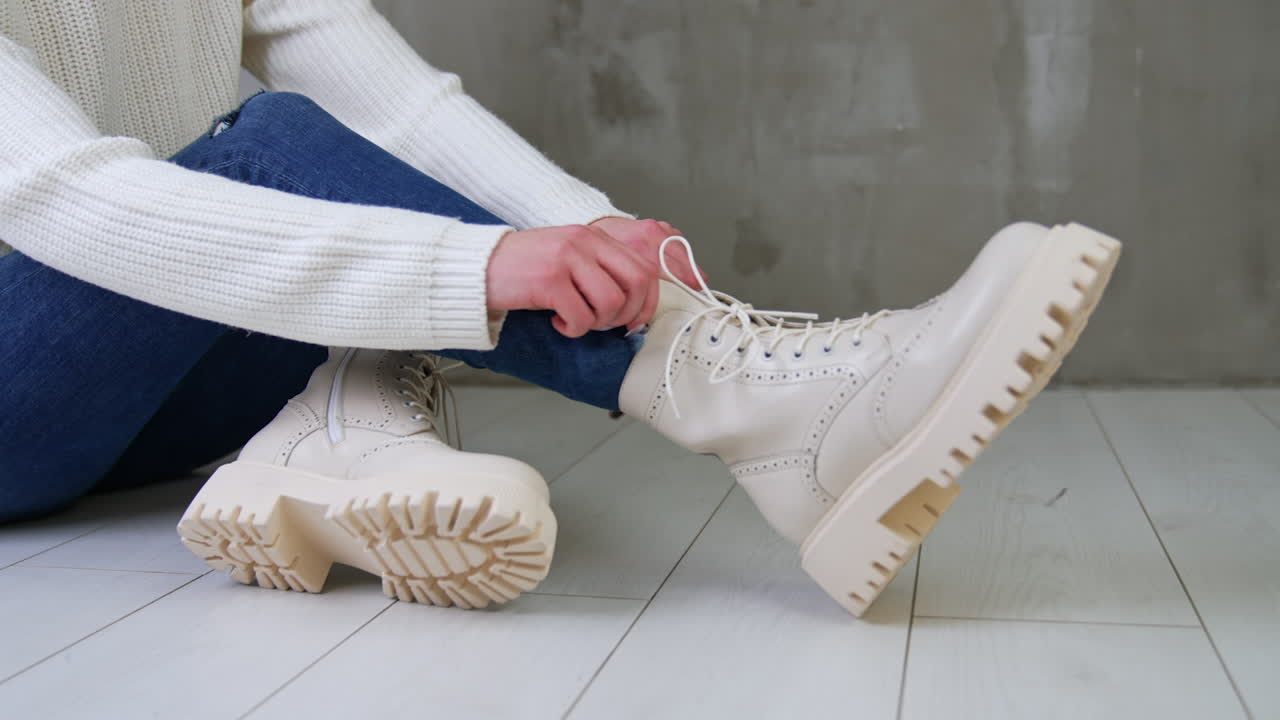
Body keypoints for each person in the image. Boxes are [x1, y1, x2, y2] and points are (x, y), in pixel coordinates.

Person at [0, 0, 1120, 617]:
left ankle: (343, 434)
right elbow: (78, 201)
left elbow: (399, 109)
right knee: (277, 158)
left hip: (129, 386)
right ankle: (758, 407)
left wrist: (611, 247)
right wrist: (489, 265)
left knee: (339, 176)